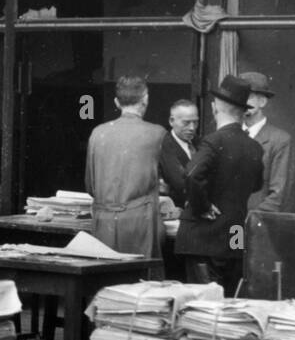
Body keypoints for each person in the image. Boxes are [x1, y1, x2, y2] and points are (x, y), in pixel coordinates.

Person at [175, 75, 264, 294]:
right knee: (229, 302)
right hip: (235, 236)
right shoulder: (255, 147)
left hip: (205, 239)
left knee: (203, 307)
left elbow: (191, 174)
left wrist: (202, 206)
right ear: (243, 111)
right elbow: (257, 185)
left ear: (215, 108)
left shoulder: (214, 141)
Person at [84, 75, 165, 257]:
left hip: (103, 224)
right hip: (141, 226)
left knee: (105, 279)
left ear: (116, 102)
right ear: (145, 100)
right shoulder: (157, 133)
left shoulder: (98, 133)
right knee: (141, 281)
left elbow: (90, 186)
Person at [239, 71, 294, 214]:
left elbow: (278, 195)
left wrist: (250, 219)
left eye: (248, 97)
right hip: (227, 224)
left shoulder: (279, 139)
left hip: (258, 222)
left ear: (262, 102)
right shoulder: (229, 135)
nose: (242, 101)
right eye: (240, 96)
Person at [158, 99, 200, 210]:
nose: (192, 128)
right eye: (186, 123)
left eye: (195, 122)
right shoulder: (162, 147)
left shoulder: (202, 144)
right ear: (172, 121)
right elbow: (178, 183)